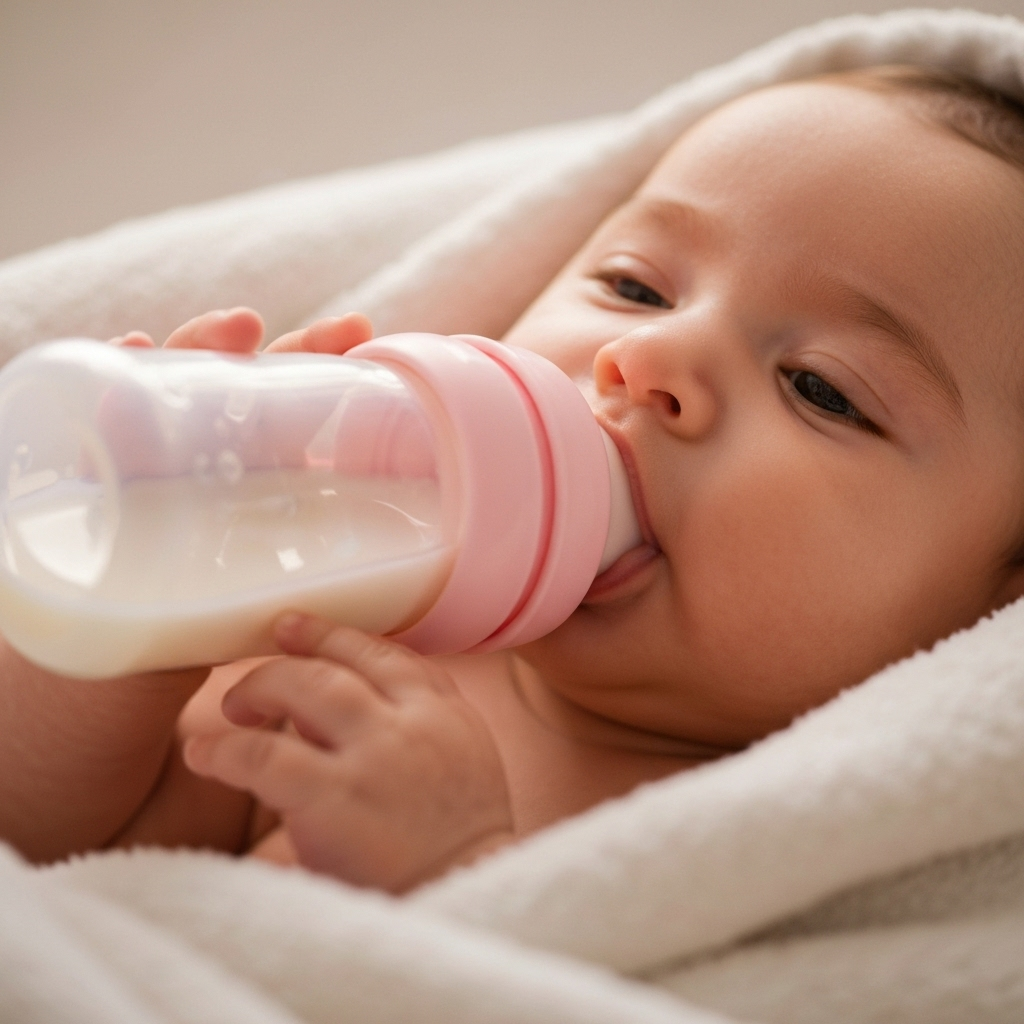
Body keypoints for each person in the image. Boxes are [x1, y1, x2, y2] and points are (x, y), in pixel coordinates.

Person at [3, 66, 1024, 893]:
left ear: (992, 612)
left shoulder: (793, 854)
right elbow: (55, 845)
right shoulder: (363, 609)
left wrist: (460, 878)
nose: (649, 361)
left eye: (820, 389)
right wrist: (125, 633)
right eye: (634, 286)